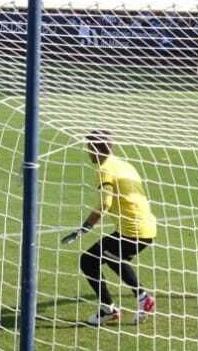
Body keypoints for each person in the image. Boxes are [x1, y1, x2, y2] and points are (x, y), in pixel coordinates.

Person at [61, 130, 157, 326]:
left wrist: (84, 228)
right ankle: (118, 306)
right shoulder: (125, 165)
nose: (88, 153)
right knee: (110, 256)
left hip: (132, 231)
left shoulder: (104, 168)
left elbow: (105, 203)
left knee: (89, 260)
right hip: (148, 227)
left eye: (89, 148)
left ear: (96, 150)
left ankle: (126, 303)